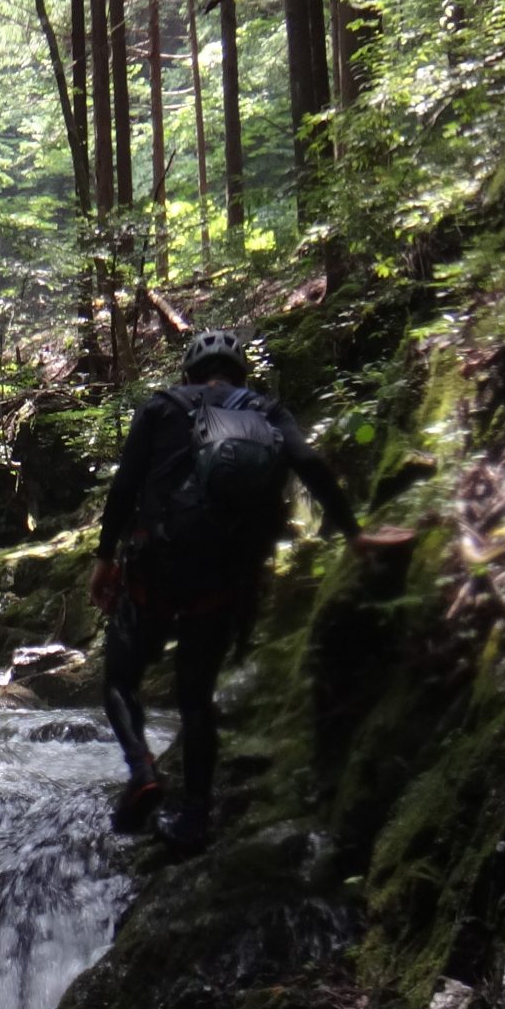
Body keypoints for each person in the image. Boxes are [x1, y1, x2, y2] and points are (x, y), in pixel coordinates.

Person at [89, 327, 363, 852]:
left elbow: (125, 487)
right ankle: (195, 817)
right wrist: (355, 534)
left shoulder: (161, 407)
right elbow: (310, 466)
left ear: (188, 374)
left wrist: (105, 559)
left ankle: (143, 771)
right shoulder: (267, 412)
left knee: (121, 681)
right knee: (196, 698)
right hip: (222, 580)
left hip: (155, 572)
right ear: (242, 375)